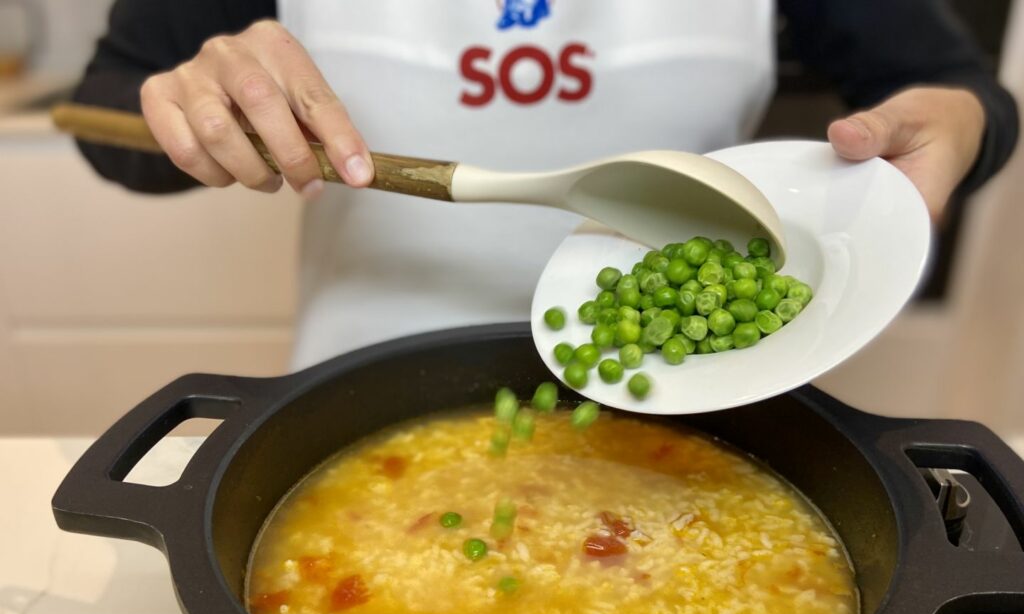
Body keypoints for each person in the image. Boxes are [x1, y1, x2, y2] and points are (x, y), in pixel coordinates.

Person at [73, 1, 1018, 369]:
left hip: (687, 389)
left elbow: (960, 94)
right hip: (359, 386)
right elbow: (108, 107)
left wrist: (969, 123)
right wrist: (191, 106)